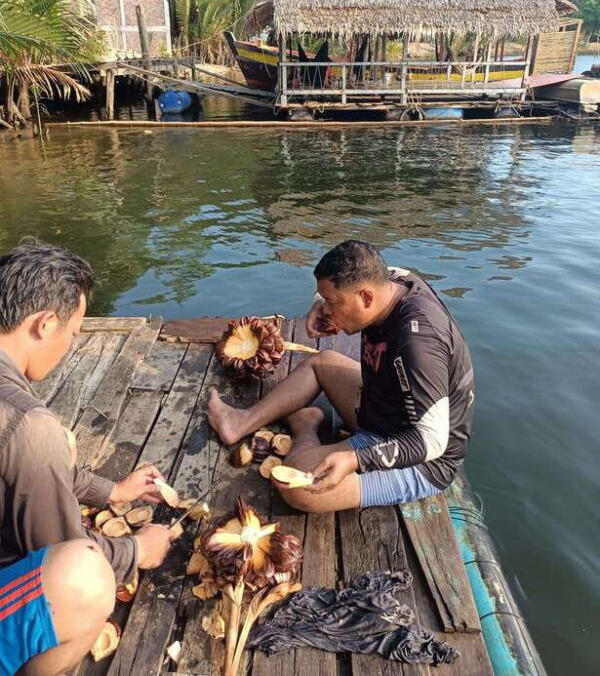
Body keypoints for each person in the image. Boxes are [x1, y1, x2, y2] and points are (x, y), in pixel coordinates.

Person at [0, 240, 176, 676]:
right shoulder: (23, 422)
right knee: (82, 579)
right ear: (45, 323)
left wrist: (111, 491)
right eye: (74, 332)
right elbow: (58, 551)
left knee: (57, 439)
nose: (71, 345)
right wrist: (136, 549)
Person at [209, 239, 475, 514]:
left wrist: (357, 459)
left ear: (366, 298)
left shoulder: (419, 345)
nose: (327, 310)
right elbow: (358, 282)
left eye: (332, 303)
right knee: (321, 362)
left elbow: (431, 442)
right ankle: (239, 422)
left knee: (296, 484)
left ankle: (305, 428)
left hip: (420, 460)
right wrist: (318, 306)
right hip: (380, 408)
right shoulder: (392, 279)